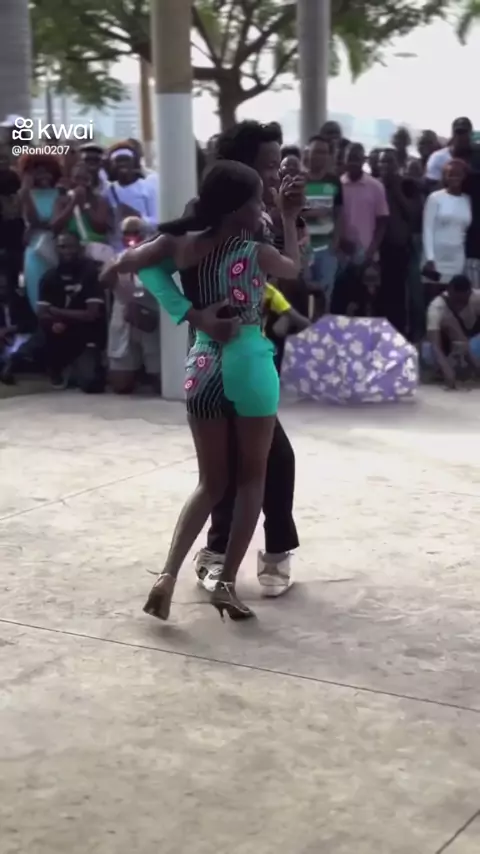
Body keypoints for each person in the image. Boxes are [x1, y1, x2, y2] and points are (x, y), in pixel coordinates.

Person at [104, 160, 303, 620]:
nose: (262, 208)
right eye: (257, 200)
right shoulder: (256, 252)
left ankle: (166, 577)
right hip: (248, 363)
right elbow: (292, 269)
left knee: (210, 483)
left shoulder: (180, 246)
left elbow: (132, 265)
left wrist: (189, 313)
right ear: (237, 208)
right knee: (251, 480)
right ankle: (226, 584)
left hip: (202, 364)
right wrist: (289, 219)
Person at [200, 120, 301, 597]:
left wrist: (287, 217)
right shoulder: (205, 217)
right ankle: (221, 550)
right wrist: (195, 314)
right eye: (268, 166)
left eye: (278, 165)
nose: (276, 174)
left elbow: (283, 271)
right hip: (214, 356)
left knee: (267, 457)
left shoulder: (260, 216)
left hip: (252, 355)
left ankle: (266, 549)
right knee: (237, 462)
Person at [36, 232, 105, 390]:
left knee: (91, 384)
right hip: (58, 333)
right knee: (32, 346)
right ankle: (56, 368)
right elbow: (41, 313)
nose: (67, 251)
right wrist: (53, 322)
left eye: (71, 247)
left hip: (86, 335)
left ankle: (79, 367)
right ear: (56, 249)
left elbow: (91, 314)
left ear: (80, 248)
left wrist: (57, 312)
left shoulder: (90, 273)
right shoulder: (48, 277)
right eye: (62, 247)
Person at [103, 216, 160, 394]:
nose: (131, 237)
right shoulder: (116, 258)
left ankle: (150, 371)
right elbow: (103, 281)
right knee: (121, 386)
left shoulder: (158, 259)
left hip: (151, 318)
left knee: (161, 384)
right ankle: (134, 372)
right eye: (127, 234)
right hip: (124, 319)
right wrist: (118, 265)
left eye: (136, 233)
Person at [333, 143, 389, 314]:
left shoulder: (376, 186)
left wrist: (371, 251)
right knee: (340, 304)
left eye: (357, 158)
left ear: (363, 160)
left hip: (366, 256)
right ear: (344, 159)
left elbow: (382, 222)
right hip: (340, 255)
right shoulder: (337, 185)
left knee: (365, 304)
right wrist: (339, 242)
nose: (353, 162)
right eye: (350, 158)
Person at [377, 148, 422, 337]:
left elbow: (414, 214)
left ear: (397, 164)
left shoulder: (408, 185)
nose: (386, 165)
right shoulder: (375, 185)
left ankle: (400, 332)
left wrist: (396, 190)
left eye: (390, 161)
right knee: (379, 294)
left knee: (400, 294)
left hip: (400, 249)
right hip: (377, 248)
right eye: (383, 161)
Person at [19, 154, 63, 310]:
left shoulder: (60, 194)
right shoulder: (26, 195)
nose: (43, 175)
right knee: (37, 293)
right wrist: (25, 192)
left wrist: (40, 226)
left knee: (58, 294)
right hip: (35, 251)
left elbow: (54, 224)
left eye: (47, 171)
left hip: (58, 248)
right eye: (37, 171)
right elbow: (33, 220)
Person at [303, 134, 343, 306]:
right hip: (303, 249)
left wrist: (336, 241)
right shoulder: (299, 180)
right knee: (302, 298)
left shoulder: (334, 181)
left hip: (327, 249)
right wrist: (313, 213)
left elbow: (339, 213)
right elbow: (291, 213)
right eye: (316, 151)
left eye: (324, 152)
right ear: (308, 153)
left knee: (324, 298)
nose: (320, 156)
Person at [424, 274, 480, 388]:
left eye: (463, 302)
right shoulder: (436, 307)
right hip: (447, 351)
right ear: (449, 292)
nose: (459, 306)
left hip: (473, 345)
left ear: (470, 293)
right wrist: (446, 369)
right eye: (456, 301)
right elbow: (434, 345)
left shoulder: (476, 298)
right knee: (449, 322)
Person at [51, 161, 112, 263]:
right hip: (70, 253)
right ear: (71, 179)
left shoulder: (99, 201)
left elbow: (100, 228)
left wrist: (85, 207)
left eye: (85, 179)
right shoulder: (62, 201)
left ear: (91, 181)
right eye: (77, 178)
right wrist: (73, 203)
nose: (81, 182)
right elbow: (55, 227)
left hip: (95, 252)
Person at [423, 159, 471, 286]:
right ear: (445, 176)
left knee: (455, 294)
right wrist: (430, 258)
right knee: (434, 294)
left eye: (458, 174)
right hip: (436, 258)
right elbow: (428, 229)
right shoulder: (435, 198)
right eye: (450, 174)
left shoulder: (468, 200)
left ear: (464, 176)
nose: (454, 178)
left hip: (457, 258)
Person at [104, 144, 158, 250]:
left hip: (146, 246)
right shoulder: (108, 191)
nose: (122, 164)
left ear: (134, 163)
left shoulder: (148, 187)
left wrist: (138, 217)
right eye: (118, 161)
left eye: (126, 160)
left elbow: (157, 222)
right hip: (118, 248)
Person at [424, 117, 480, 186]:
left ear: (471, 134)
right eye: (458, 132)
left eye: (464, 132)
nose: (461, 136)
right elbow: (431, 185)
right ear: (452, 134)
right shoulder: (438, 157)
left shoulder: (478, 155)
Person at [0, 144, 24, 300]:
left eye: (4, 158)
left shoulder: (14, 177)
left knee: (12, 280)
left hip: (14, 238)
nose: (2, 162)